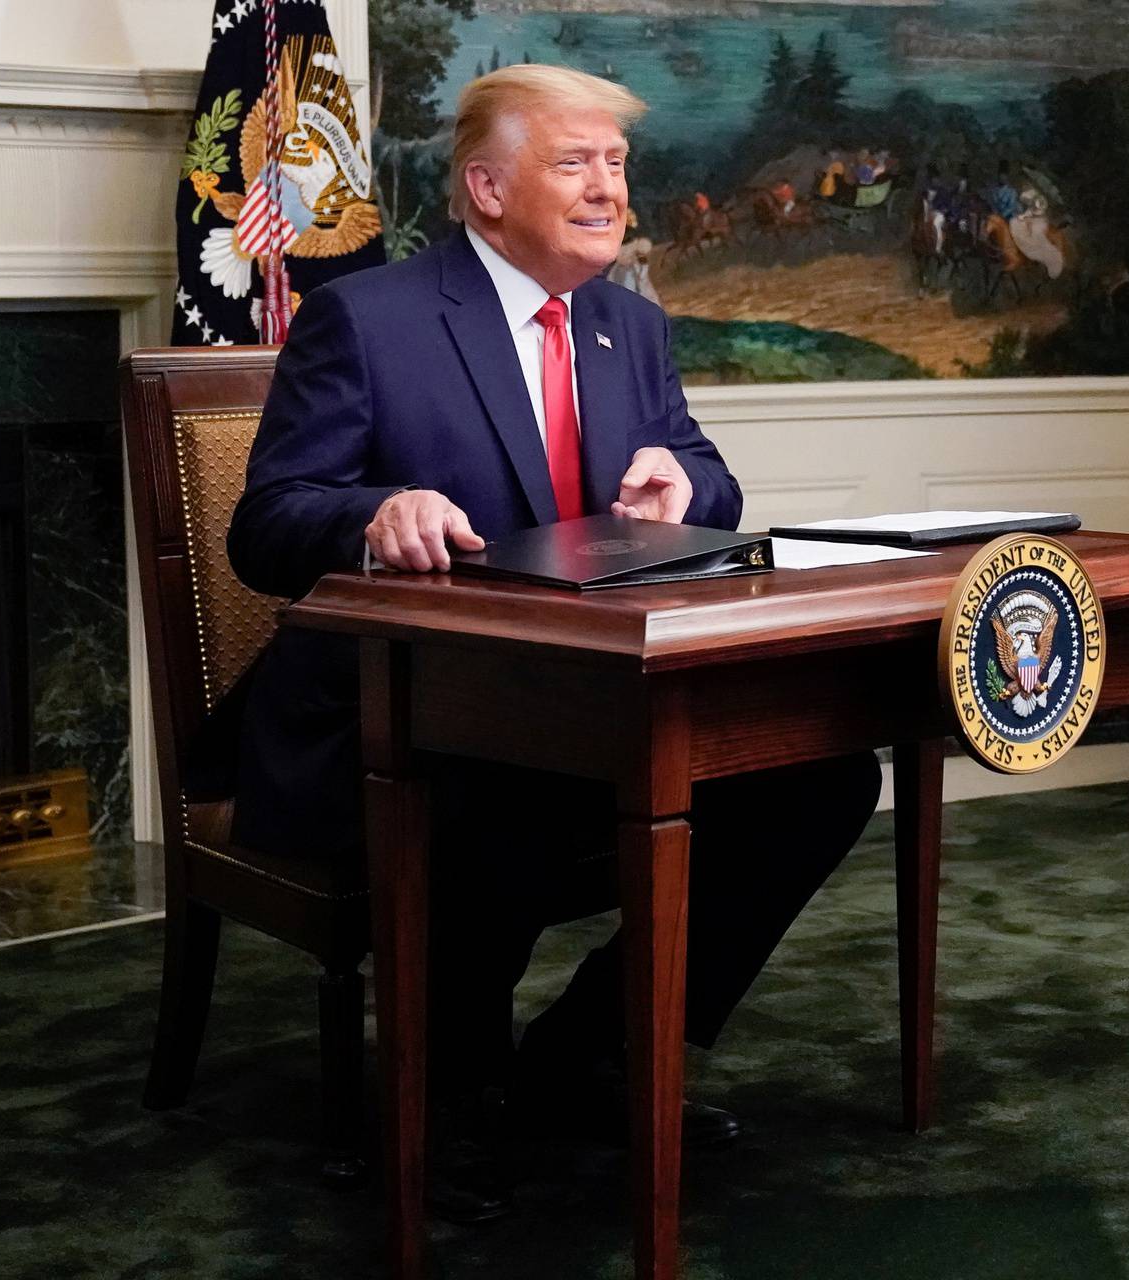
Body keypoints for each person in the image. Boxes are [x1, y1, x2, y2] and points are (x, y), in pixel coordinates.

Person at [225, 64, 881, 1222]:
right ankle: (450, 1092)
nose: (606, 188)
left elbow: (708, 472)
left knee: (822, 773)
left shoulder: (632, 324)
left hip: (589, 705)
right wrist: (371, 514)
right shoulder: (368, 320)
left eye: (617, 165)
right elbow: (267, 521)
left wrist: (687, 479)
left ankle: (590, 1051)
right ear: (485, 187)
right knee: (498, 791)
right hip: (395, 722)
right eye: (573, 163)